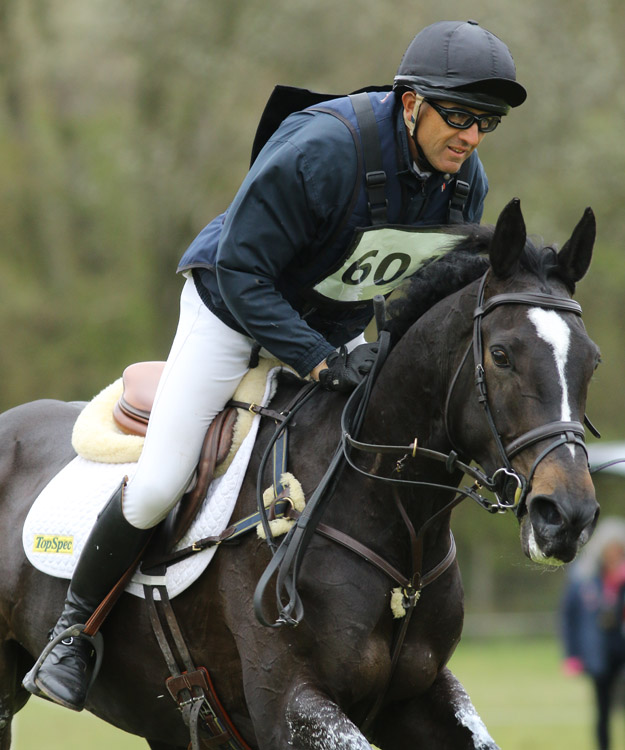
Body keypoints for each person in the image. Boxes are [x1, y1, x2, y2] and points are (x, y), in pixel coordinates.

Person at [24, 19, 526, 710]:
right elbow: (241, 272)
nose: (471, 138)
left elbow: (416, 288)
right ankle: (70, 633)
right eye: (461, 117)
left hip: (333, 322)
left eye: (486, 123)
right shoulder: (322, 149)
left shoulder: (461, 183)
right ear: (410, 103)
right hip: (230, 309)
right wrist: (318, 362)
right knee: (161, 479)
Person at [561, 518, 625, 750]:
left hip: (621, 648)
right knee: (603, 709)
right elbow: (569, 617)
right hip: (600, 654)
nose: (613, 555)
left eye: (618, 550)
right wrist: (572, 655)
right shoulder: (584, 577)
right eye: (610, 549)